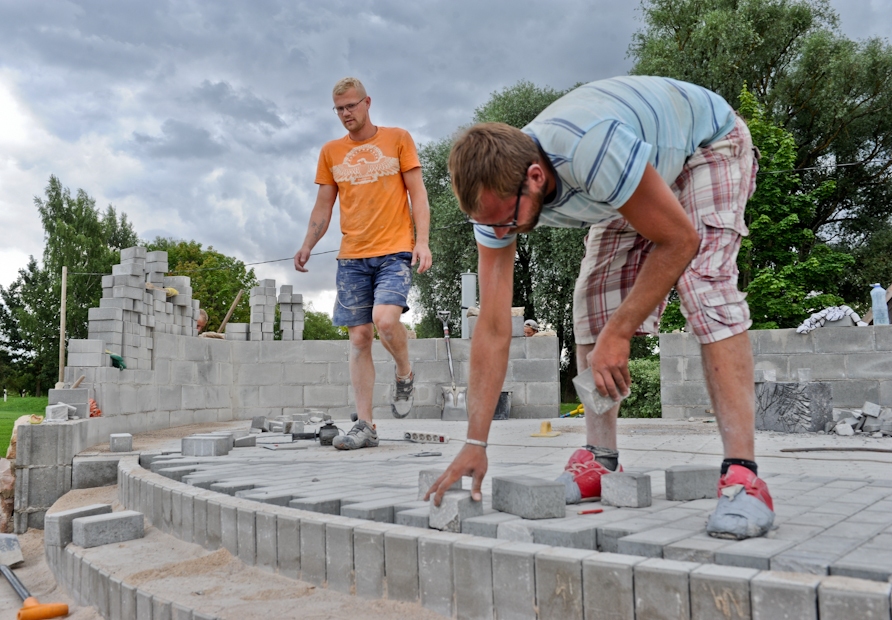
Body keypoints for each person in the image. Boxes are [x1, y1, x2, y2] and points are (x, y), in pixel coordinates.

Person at [426, 76, 773, 540]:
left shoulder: (590, 149)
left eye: (508, 221)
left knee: (705, 288)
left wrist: (620, 333)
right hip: (633, 174)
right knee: (592, 302)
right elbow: (491, 327)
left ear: (534, 176)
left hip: (706, 146)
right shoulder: (496, 205)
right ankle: (599, 458)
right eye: (491, 225)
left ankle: (744, 478)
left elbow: (680, 240)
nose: (501, 233)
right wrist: (475, 442)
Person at [294, 77, 432, 450]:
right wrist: (308, 243)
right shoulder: (331, 152)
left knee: (385, 320)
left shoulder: (398, 138)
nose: (345, 114)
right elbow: (324, 205)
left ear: (367, 102)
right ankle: (366, 425)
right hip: (352, 255)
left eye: (351, 106)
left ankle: (404, 371)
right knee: (359, 337)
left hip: (394, 249)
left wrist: (423, 242)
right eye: (339, 108)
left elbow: (417, 193)